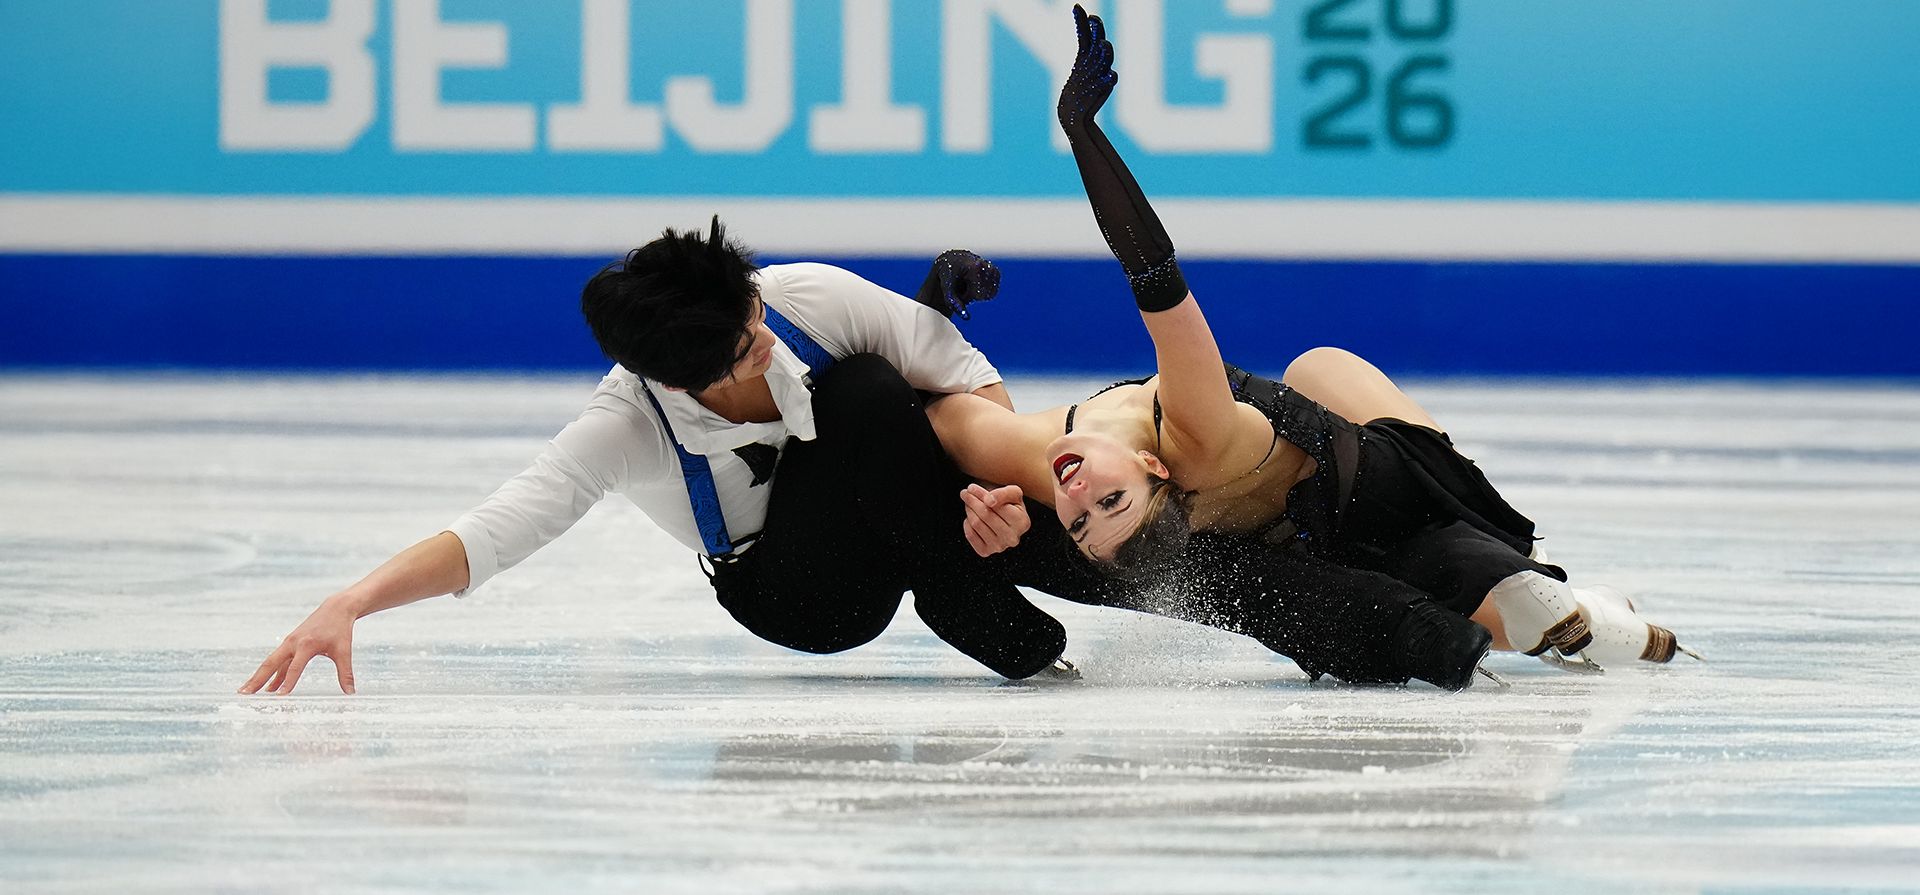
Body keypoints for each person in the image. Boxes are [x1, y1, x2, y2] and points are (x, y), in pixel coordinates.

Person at [927, 7, 1700, 672]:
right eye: (1098, 512)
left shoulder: (1044, 460)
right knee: (1330, 382)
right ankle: (1561, 601)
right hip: (1364, 490)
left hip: (1327, 530)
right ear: (1153, 465)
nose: (1076, 495)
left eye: (1085, 511)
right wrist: (1085, 136)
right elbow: (1153, 272)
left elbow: (945, 414)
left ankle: (1558, 605)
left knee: (1332, 393)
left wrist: (932, 299)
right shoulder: (1188, 429)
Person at [241, 224, 1078, 694]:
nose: (763, 339)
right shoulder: (625, 424)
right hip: (803, 598)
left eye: (752, 314)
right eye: (739, 348)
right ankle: (976, 606)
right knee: (863, 393)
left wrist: (995, 496)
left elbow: (969, 383)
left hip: (901, 507)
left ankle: (1174, 574)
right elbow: (491, 532)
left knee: (893, 400)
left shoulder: (806, 298)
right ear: (674, 376)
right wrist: (350, 601)